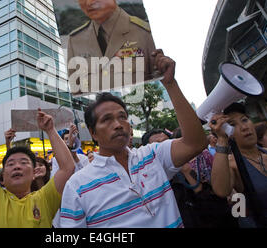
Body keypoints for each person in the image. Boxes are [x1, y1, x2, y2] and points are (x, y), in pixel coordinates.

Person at [58, 51, 207, 227]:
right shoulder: (77, 186)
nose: (118, 124)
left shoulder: (153, 155)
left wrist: (170, 84)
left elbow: (195, 143)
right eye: (107, 119)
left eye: (122, 117)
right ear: (93, 133)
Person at [0, 94, 75, 227]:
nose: (17, 166)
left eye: (24, 162)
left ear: (34, 173)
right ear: (2, 176)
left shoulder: (44, 199)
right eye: (10, 164)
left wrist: (50, 130)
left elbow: (67, 168)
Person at [66, 0, 157, 94]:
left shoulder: (142, 32)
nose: (88, 2)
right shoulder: (75, 40)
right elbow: (77, 91)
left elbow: (157, 84)